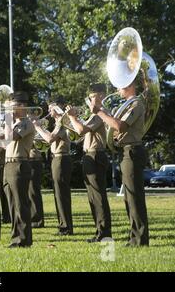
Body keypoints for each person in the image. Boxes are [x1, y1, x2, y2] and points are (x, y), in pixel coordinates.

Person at [91, 79, 149, 246]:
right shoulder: (128, 104)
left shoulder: (136, 104)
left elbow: (119, 126)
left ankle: (140, 239)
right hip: (126, 151)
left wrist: (99, 112)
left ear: (129, 86)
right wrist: (102, 110)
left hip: (132, 151)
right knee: (129, 197)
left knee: (134, 197)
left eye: (120, 85)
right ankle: (134, 237)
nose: (117, 89)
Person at [66, 83, 112, 242]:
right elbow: (79, 135)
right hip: (89, 155)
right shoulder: (95, 114)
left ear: (101, 96)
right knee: (93, 197)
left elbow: (80, 130)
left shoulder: (101, 113)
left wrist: (72, 117)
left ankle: (104, 233)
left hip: (95, 155)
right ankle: (100, 231)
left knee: (98, 196)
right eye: (90, 97)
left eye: (93, 97)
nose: (90, 100)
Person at [0, 92, 35, 248]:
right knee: (12, 204)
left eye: (11, 106)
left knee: (21, 203)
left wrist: (7, 119)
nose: (9, 109)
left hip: (19, 164)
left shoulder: (26, 123)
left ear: (21, 106)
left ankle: (24, 239)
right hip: (9, 164)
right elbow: (0, 141)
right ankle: (16, 237)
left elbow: (11, 137)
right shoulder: (15, 123)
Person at [34, 97, 73, 236]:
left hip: (62, 158)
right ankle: (63, 225)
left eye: (52, 108)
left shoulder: (63, 122)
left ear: (59, 107)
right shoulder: (58, 122)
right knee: (58, 194)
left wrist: (38, 127)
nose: (49, 112)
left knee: (61, 194)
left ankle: (66, 227)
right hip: (57, 158)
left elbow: (50, 139)